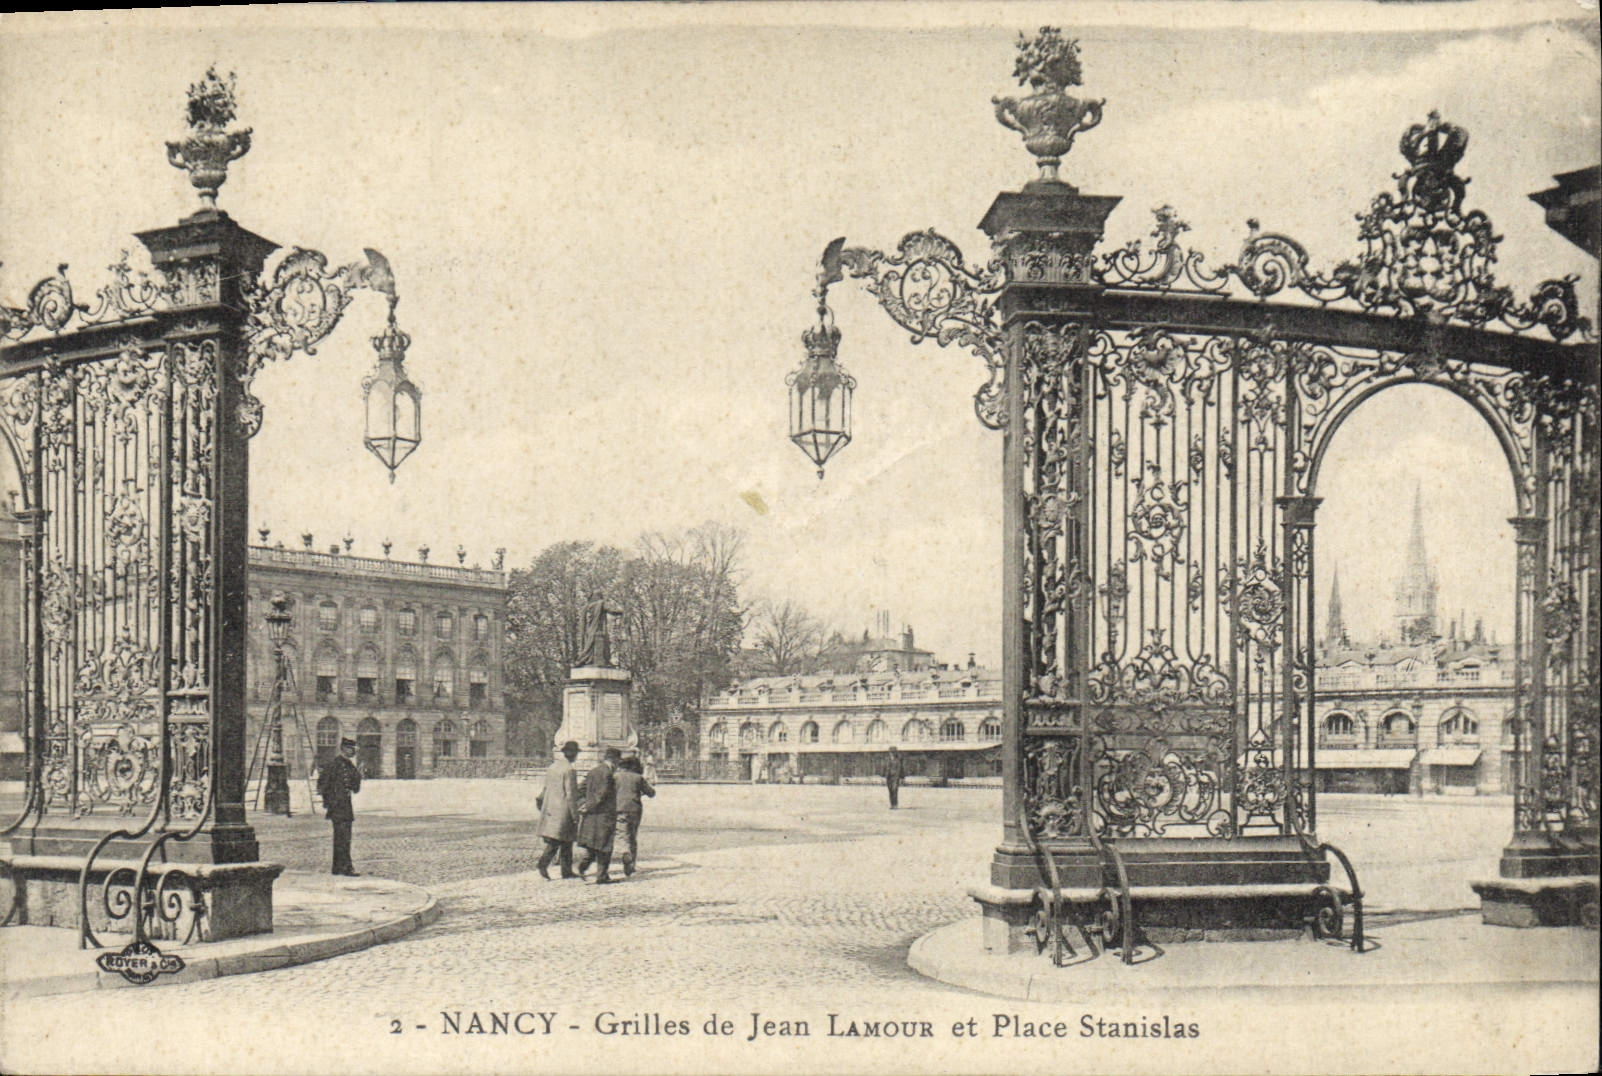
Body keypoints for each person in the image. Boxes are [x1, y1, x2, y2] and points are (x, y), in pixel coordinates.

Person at [535, 740, 582, 880]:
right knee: (559, 841)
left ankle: (566, 871)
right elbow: (571, 795)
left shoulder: (553, 767)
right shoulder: (570, 770)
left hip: (551, 807)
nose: (576, 756)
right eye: (575, 753)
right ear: (572, 754)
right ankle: (543, 864)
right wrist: (575, 815)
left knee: (565, 841)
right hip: (564, 810)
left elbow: (545, 788)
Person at [317, 737, 363, 876]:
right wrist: (330, 802)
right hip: (337, 807)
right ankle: (344, 867)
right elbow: (322, 785)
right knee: (342, 838)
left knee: (344, 838)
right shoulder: (334, 764)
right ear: (344, 749)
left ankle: (339, 867)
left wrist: (359, 774)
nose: (353, 751)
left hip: (346, 806)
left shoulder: (349, 765)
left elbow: (355, 788)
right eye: (351, 749)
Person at [576, 746, 621, 884]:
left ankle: (582, 867)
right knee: (605, 846)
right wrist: (588, 806)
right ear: (614, 760)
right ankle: (602, 876)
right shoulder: (607, 774)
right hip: (603, 815)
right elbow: (601, 795)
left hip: (592, 817)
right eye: (618, 761)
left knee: (593, 844)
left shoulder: (593, 771)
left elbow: (580, 789)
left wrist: (582, 803)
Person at [613, 755, 656, 877]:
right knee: (633, 835)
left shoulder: (615, 777)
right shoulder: (638, 778)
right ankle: (632, 864)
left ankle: (625, 852)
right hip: (635, 809)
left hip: (619, 809)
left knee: (623, 834)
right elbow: (651, 793)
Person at [884, 745, 905, 810]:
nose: (892, 753)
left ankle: (895, 804)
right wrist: (883, 776)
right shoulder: (887, 759)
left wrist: (902, 778)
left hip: (896, 777)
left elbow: (901, 768)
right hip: (889, 777)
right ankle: (892, 804)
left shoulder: (899, 759)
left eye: (893, 752)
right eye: (891, 752)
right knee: (890, 791)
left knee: (895, 790)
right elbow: (885, 768)